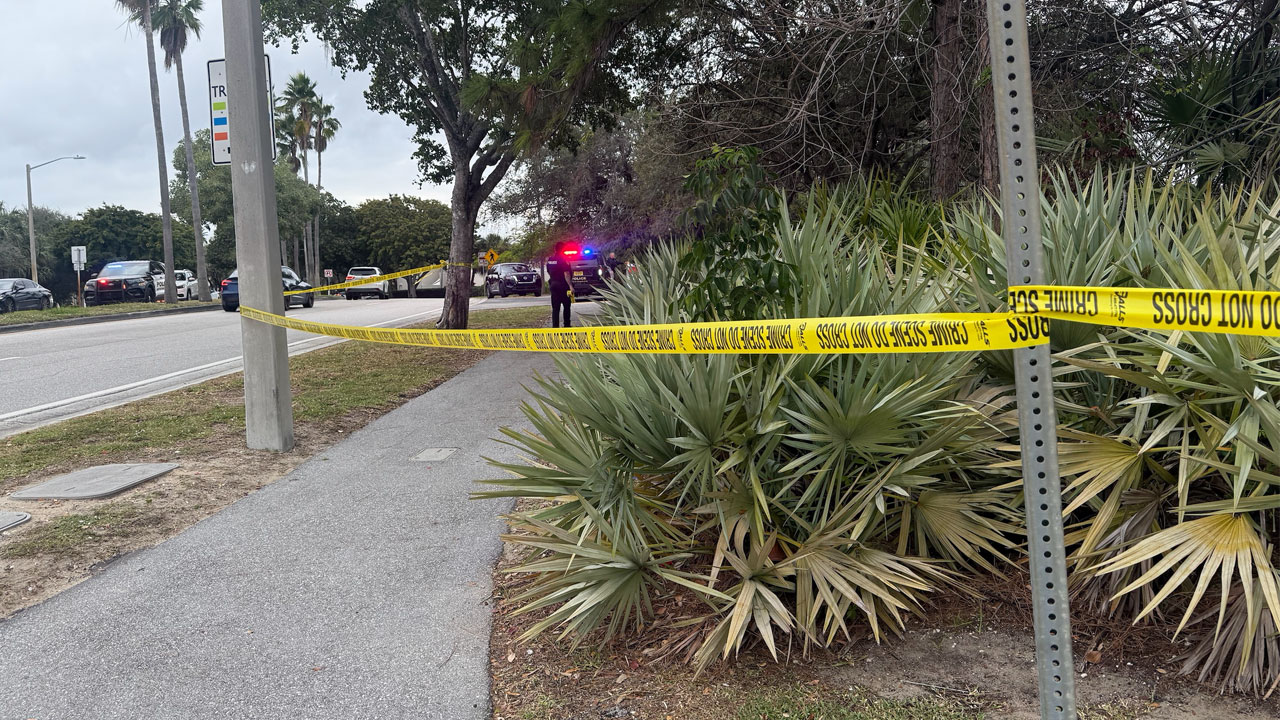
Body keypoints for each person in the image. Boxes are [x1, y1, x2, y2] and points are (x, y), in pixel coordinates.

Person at [546, 241, 572, 328]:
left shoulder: (550, 259)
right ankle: (567, 326)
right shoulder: (563, 259)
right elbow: (566, 274)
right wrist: (570, 286)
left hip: (553, 285)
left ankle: (555, 327)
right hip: (563, 286)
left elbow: (549, 271)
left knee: (555, 308)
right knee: (566, 306)